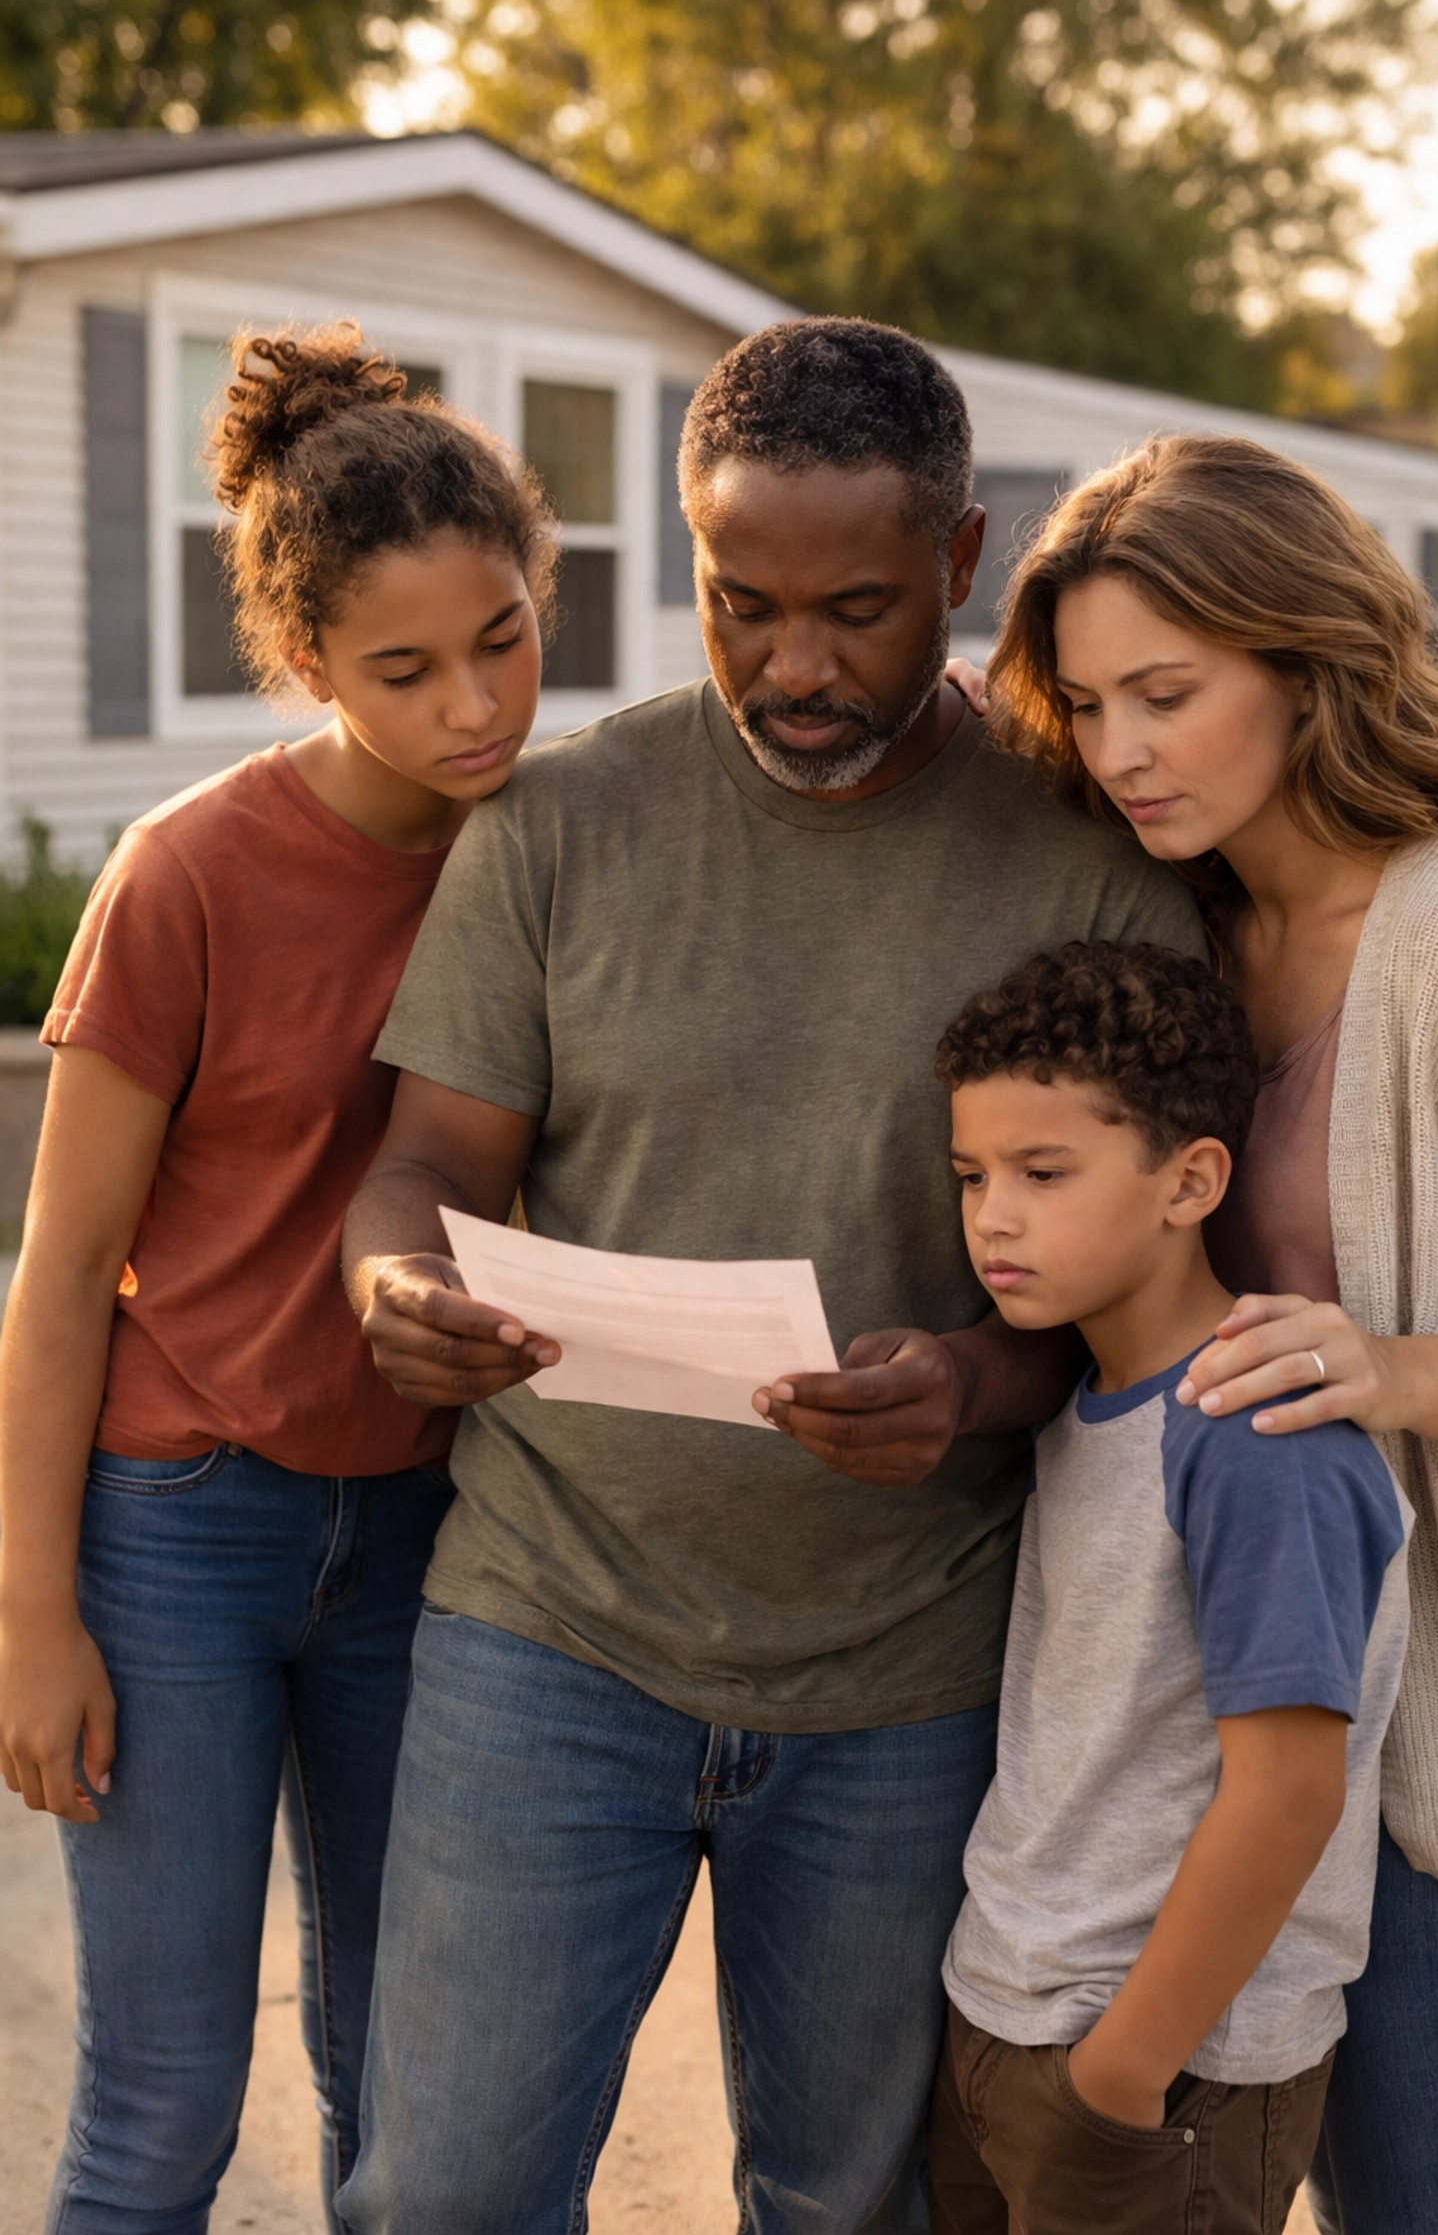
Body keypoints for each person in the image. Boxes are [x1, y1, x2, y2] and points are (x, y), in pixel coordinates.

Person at [333, 317, 1205, 2235]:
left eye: (860, 610)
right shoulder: (558, 826)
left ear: (968, 564)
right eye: (742, 604)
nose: (793, 666)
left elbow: (1151, 1303)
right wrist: (396, 1292)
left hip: (910, 1674)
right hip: (546, 1634)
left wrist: (975, 1381)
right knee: (439, 2197)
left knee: (846, 2206)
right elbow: (416, 1172)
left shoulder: (1092, 870)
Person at [0, 322, 553, 2234]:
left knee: (407, 2081)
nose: (475, 706)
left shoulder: (547, 854)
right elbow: (63, 1268)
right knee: (162, 2098)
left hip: (434, 1539)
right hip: (181, 1530)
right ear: (309, 663)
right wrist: (30, 1611)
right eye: (404, 671)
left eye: (505, 640)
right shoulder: (185, 877)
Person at [978, 430, 1438, 2233]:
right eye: (1088, 703)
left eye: (1169, 693)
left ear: (1306, 666)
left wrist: (1399, 1368)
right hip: (1253, 1724)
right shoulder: (1189, 926)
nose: (1123, 750)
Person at [925, 939, 1410, 2235]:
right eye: (973, 1176)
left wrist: (1121, 2076)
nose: (993, 1218)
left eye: (1043, 1173)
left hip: (1162, 2078)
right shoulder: (1081, 1404)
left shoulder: (1255, 1436)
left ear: (1192, 1180)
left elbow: (1290, 1787)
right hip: (1003, 2023)